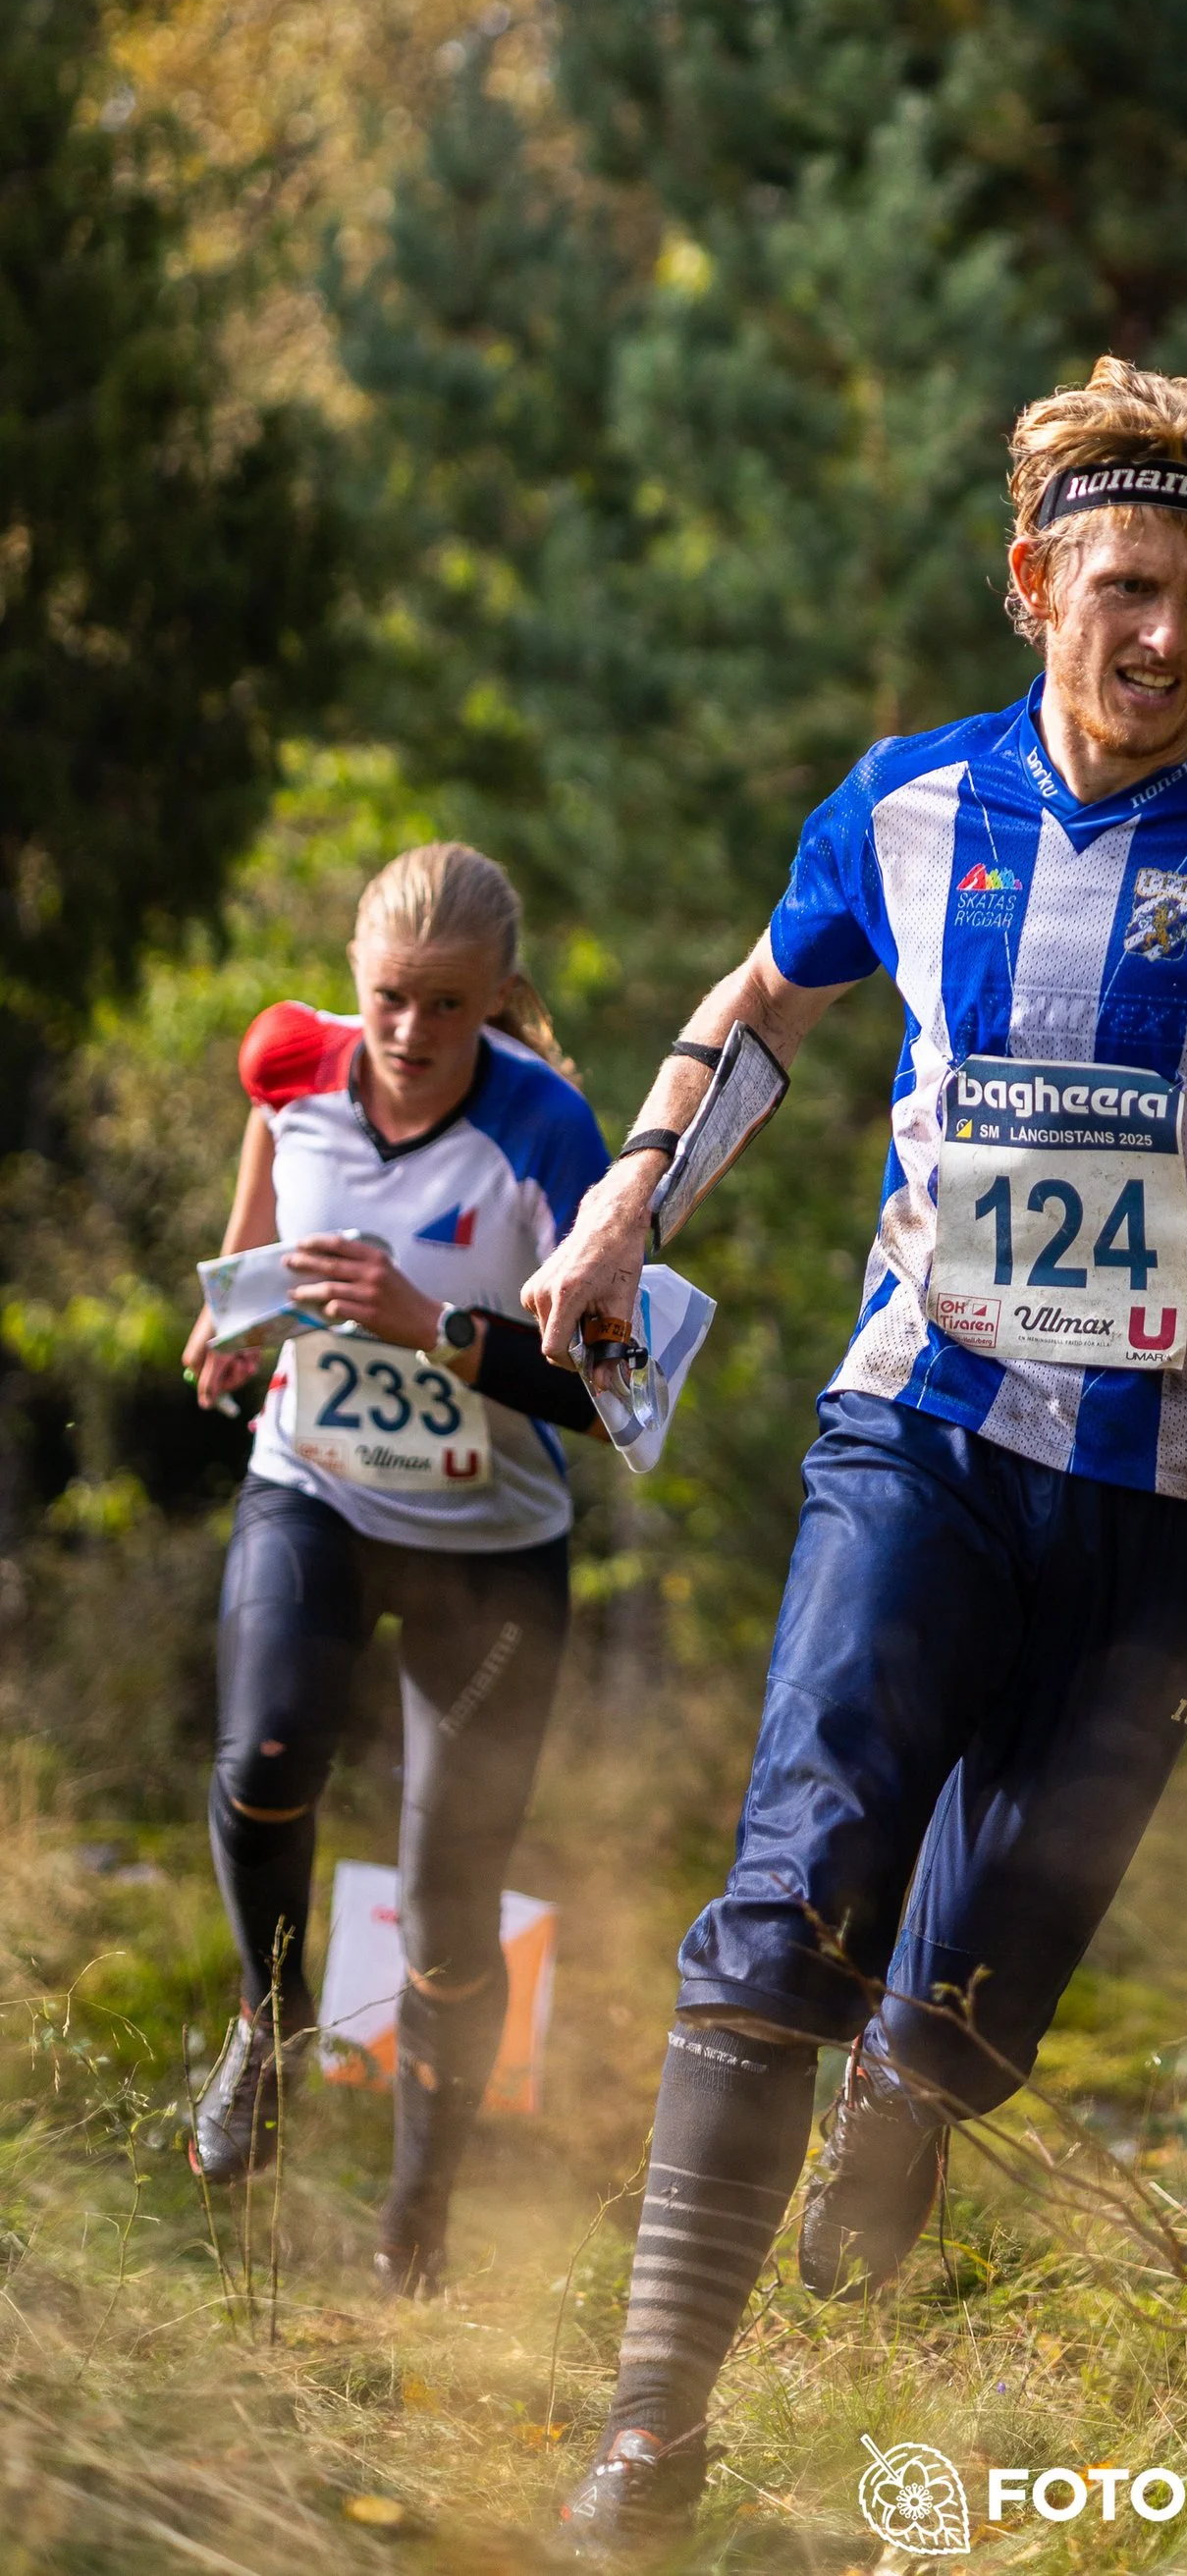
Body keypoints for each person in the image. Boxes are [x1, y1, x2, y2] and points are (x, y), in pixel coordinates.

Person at [530, 358, 1187, 2546]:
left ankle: (910, 2101)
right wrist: (622, 1201)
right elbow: (759, 999)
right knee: (791, 1899)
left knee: (970, 2003)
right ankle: (649, 2432)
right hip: (920, 1433)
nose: (1162, 637)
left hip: (1171, 1502)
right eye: (1126, 586)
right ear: (1030, 579)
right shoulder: (901, 801)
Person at [180, 841, 612, 2293]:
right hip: (312, 1487)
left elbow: (613, 1393)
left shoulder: (549, 1133)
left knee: (445, 1903)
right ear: (354, 983)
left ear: (498, 998)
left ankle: (416, 2226)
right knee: (265, 1760)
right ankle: (268, 2025)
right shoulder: (293, 1062)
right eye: (388, 1000)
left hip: (490, 1553)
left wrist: (437, 1325)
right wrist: (237, 1304)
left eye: (447, 1006)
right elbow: (265, 1157)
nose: (412, 1036)